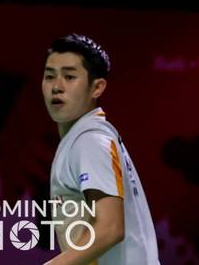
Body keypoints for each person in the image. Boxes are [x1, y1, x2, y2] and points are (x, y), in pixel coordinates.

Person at [42, 34, 159, 264]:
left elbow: (110, 228)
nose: (57, 87)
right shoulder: (82, 138)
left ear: (97, 87)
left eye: (69, 76)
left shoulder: (90, 141)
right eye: (49, 76)